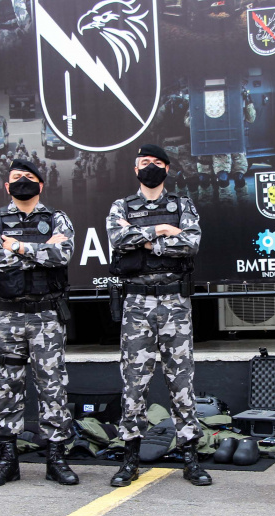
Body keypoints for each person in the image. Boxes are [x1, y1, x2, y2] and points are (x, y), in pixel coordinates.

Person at [105, 144, 211, 487]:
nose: (149, 167)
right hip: (137, 305)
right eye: (143, 163)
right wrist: (163, 232)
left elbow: (192, 243)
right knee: (134, 384)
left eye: (156, 162)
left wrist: (146, 241)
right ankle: (130, 458)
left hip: (174, 304)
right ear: (135, 169)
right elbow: (119, 239)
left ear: (166, 168)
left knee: (182, 382)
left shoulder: (182, 205)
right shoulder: (120, 206)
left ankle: (190, 458)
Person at [0, 159, 78, 486]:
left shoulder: (56, 219)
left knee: (53, 386)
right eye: (16, 178)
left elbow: (61, 256)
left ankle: (56, 459)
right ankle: (7, 458)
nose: (23, 182)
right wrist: (39, 251)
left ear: (41, 184)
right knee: (7, 385)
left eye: (29, 177)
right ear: (7, 186)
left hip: (46, 315)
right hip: (7, 316)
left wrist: (18, 246)